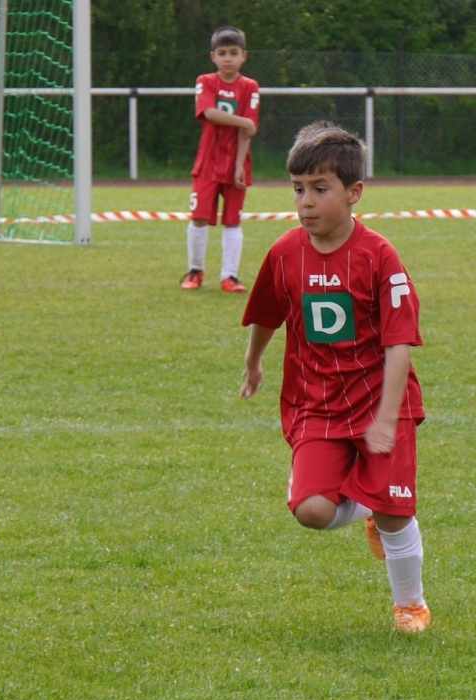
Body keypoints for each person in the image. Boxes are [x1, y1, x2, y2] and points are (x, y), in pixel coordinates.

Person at [240, 121, 430, 633]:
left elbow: (398, 343)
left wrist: (386, 418)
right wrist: (254, 361)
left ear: (354, 193)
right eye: (298, 189)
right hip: (317, 403)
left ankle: (410, 605)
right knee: (311, 511)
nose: (306, 202)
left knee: (395, 514)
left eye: (320, 189)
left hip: (381, 401)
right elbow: (268, 313)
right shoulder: (285, 252)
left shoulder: (379, 256)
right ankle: (368, 507)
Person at [181, 26, 259, 293]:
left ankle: (230, 276)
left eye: (234, 53)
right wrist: (243, 121)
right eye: (222, 53)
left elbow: (248, 131)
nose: (228, 58)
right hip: (207, 164)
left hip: (237, 164)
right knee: (199, 218)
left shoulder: (250, 87)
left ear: (243, 56)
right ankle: (195, 271)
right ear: (213, 57)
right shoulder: (205, 81)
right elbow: (209, 112)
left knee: (233, 221)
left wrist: (239, 166)